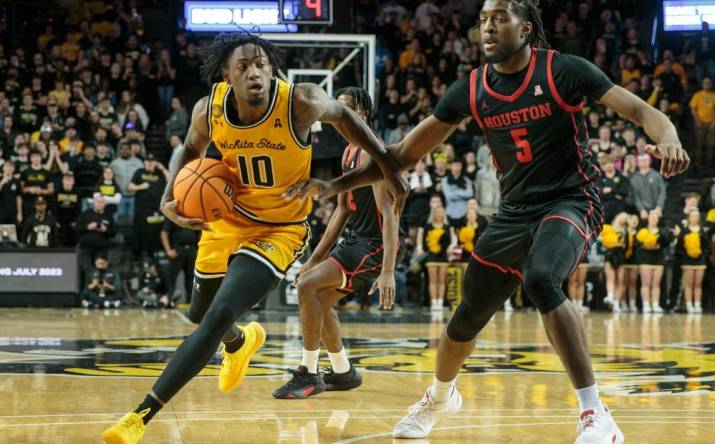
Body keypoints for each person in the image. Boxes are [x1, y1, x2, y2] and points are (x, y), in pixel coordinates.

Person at [286, 1, 689, 441]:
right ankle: (440, 397)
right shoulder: (470, 89)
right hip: (514, 210)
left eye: (499, 17)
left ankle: (596, 414)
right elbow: (399, 157)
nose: (488, 26)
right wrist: (334, 185)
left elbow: (641, 112)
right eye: (482, 20)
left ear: (527, 29)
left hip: (572, 199)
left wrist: (668, 137)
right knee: (467, 316)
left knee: (540, 278)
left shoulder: (563, 70)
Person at [103, 33, 404, 444]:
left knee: (217, 315)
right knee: (199, 314)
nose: (254, 72)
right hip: (227, 218)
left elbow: (348, 119)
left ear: (272, 69)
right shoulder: (209, 110)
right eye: (243, 66)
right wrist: (169, 193)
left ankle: (139, 416)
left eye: (261, 64)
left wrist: (388, 166)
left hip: (280, 230)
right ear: (226, 75)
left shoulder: (301, 101)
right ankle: (242, 341)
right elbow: (190, 149)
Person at [273, 87, 403, 399]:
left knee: (307, 288)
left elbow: (391, 215)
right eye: (336, 107)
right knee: (316, 296)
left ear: (363, 114)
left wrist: (388, 271)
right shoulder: (347, 152)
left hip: (373, 246)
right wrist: (315, 257)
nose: (338, 114)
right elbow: (342, 210)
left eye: (346, 108)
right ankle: (343, 371)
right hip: (355, 241)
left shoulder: (373, 153)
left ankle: (308, 373)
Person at [417, 205, 454, 312]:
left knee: (442, 281)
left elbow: (451, 241)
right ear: (434, 214)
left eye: (441, 212)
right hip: (432, 256)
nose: (439, 214)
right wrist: (421, 249)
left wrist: (451, 249)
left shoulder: (447, 226)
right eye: (437, 212)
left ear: (444, 214)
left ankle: (440, 303)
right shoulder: (428, 226)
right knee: (433, 281)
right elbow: (424, 241)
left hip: (443, 256)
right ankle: (433, 303)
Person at [75, 195, 116, 288]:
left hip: (101, 248)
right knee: (86, 269)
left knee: (100, 269)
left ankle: (99, 290)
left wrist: (105, 230)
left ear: (105, 204)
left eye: (102, 202)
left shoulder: (108, 216)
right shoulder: (85, 214)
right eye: (98, 202)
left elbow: (114, 232)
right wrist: (88, 227)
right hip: (86, 247)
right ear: (93, 203)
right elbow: (77, 228)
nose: (100, 204)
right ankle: (85, 290)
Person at [675, 208, 708, 313]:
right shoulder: (684, 231)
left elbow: (706, 245)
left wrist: (701, 252)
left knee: (698, 284)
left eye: (697, 216)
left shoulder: (702, 230)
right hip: (687, 260)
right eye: (693, 216)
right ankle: (689, 305)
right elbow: (679, 246)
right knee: (688, 284)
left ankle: (697, 304)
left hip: (700, 260)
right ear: (689, 218)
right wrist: (686, 251)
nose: (695, 218)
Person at [636, 210, 669, 314]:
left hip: (658, 259)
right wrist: (650, 246)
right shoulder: (642, 231)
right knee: (646, 283)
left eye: (656, 218)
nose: (654, 219)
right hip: (645, 259)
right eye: (652, 217)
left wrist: (652, 245)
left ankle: (655, 304)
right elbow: (638, 244)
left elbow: (664, 244)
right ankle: (646, 304)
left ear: (658, 220)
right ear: (648, 219)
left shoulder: (662, 231)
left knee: (656, 284)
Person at [160, 219, 198, 304]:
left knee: (191, 280)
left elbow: (200, 233)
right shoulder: (173, 215)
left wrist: (198, 250)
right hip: (177, 250)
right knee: (171, 278)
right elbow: (164, 233)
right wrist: (168, 250)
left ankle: (191, 304)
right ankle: (169, 301)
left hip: (192, 250)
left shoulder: (194, 215)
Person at [599, 212, 627, 313]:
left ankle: (616, 304)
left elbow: (626, 244)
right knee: (610, 277)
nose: (623, 220)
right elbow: (601, 240)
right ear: (617, 217)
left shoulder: (625, 231)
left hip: (620, 254)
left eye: (625, 219)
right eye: (622, 217)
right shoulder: (607, 228)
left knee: (620, 280)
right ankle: (610, 296)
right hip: (610, 253)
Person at [689, 77, 715, 166]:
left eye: (708, 83)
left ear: (711, 85)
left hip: (711, 123)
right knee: (699, 144)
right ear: (702, 85)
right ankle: (698, 163)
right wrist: (697, 121)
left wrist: (714, 123)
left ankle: (708, 163)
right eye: (705, 83)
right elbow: (693, 109)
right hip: (700, 123)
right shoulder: (697, 95)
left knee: (710, 145)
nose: (706, 84)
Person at [629, 153, 666, 220]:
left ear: (649, 161)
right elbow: (636, 196)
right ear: (637, 163)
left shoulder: (656, 175)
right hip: (641, 212)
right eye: (641, 160)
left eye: (645, 159)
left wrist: (659, 207)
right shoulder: (634, 178)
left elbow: (662, 192)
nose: (643, 162)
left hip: (657, 210)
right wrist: (642, 210)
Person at [442, 158, 474, 226]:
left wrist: (454, 192)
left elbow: (470, 194)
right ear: (451, 166)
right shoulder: (445, 180)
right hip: (450, 212)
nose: (457, 167)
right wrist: (463, 193)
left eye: (459, 165)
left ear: (461, 166)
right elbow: (449, 196)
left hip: (464, 213)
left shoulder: (466, 180)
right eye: (455, 165)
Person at [0, 159, 22, 225]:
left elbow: (18, 197)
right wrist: (2, 182)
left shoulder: (16, 181)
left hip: (12, 212)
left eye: (11, 166)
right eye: (7, 166)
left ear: (14, 169)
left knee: (13, 233)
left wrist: (20, 213)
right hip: (1, 212)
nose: (9, 168)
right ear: (3, 168)